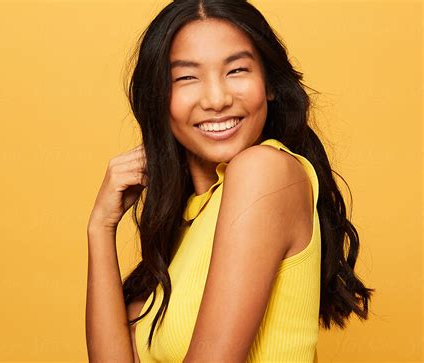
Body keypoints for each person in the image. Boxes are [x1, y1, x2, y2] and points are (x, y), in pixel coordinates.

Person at [85, 0, 375, 362]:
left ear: (269, 84)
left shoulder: (265, 171)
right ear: (160, 98)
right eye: (187, 77)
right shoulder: (182, 229)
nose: (217, 99)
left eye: (236, 70)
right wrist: (100, 227)